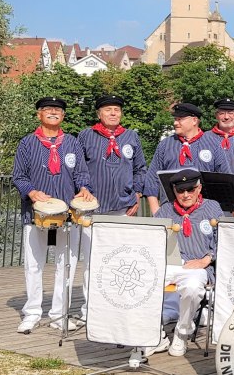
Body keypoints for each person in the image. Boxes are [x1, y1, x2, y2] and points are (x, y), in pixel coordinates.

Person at [12, 97, 95, 333]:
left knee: (65, 265)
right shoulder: (27, 143)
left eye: (57, 110)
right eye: (47, 109)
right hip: (35, 213)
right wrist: (31, 192)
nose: (53, 112)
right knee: (33, 265)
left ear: (63, 116)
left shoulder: (72, 142)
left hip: (67, 215)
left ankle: (59, 314)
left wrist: (84, 188)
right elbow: (18, 176)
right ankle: (32, 313)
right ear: (39, 114)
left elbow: (81, 172)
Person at [76, 94, 147, 323]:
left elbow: (140, 169)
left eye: (117, 109)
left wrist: (137, 193)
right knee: (92, 260)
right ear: (99, 114)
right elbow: (78, 168)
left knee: (120, 260)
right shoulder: (86, 136)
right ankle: (90, 309)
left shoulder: (131, 137)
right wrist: (83, 188)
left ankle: (116, 305)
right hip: (92, 209)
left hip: (123, 208)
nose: (113, 113)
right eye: (108, 110)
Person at [149, 169, 222, 357]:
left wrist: (207, 258)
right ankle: (154, 334)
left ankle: (182, 333)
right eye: (181, 191)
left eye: (190, 189)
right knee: (144, 282)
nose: (186, 195)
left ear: (199, 188)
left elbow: (223, 239)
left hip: (199, 264)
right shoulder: (165, 210)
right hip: (171, 262)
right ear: (174, 190)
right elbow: (153, 239)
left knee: (192, 288)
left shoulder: (212, 207)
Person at [144, 103, 230, 215]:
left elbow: (225, 181)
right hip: (171, 212)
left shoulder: (213, 144)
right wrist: (156, 211)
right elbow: (151, 179)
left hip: (204, 213)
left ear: (194, 120)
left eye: (180, 119)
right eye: (175, 119)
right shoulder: (165, 145)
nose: (175, 123)